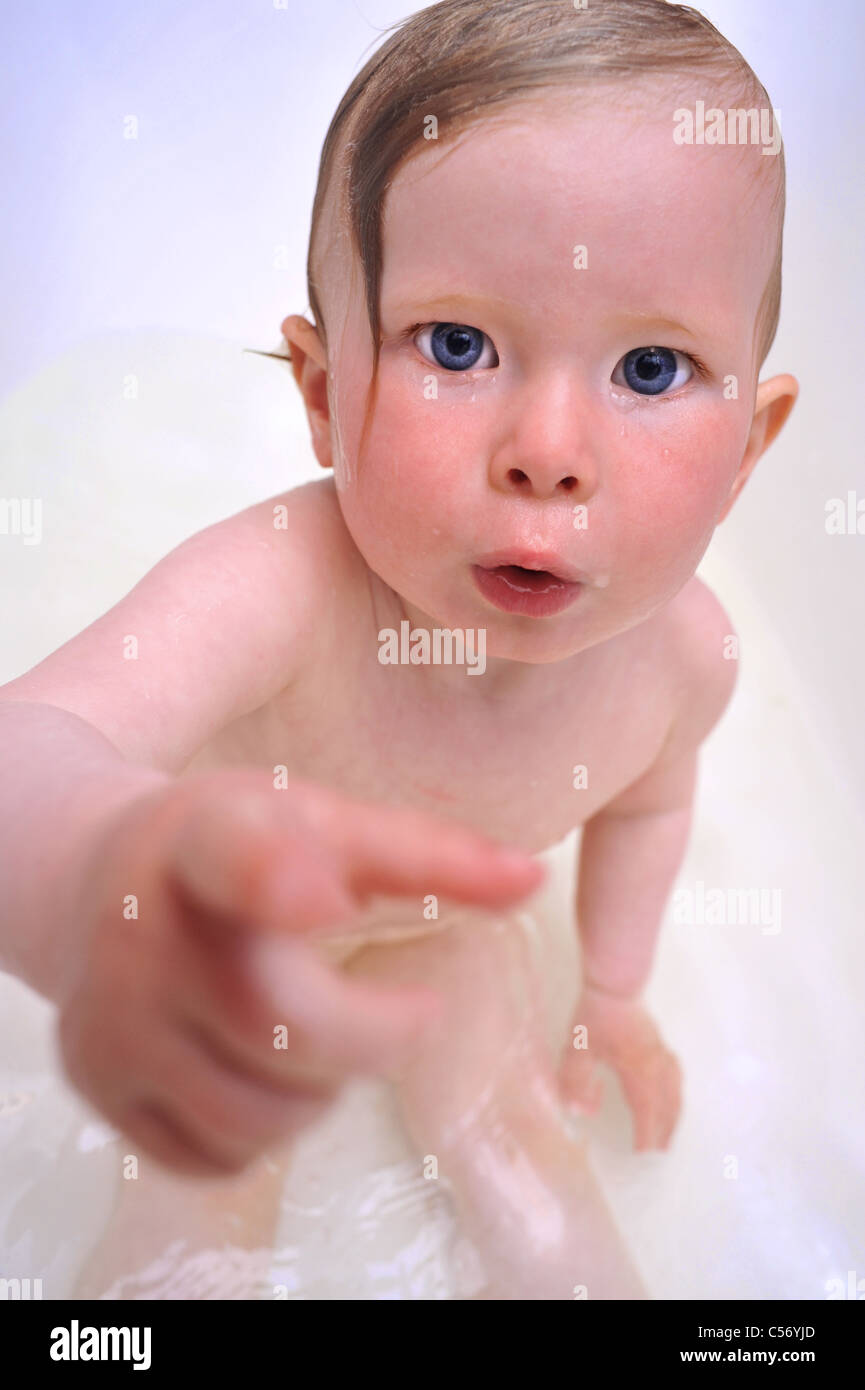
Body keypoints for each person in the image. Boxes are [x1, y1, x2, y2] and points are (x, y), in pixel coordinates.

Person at [0, 0, 798, 1299]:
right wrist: (105, 871)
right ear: (320, 393)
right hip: (235, 945)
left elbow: (648, 805)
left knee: (537, 1190)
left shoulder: (684, 660)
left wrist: (613, 988)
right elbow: (22, 742)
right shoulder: (276, 583)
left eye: (650, 367)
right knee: (194, 1219)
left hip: (444, 933)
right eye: (458, 345)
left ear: (749, 453)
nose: (548, 451)